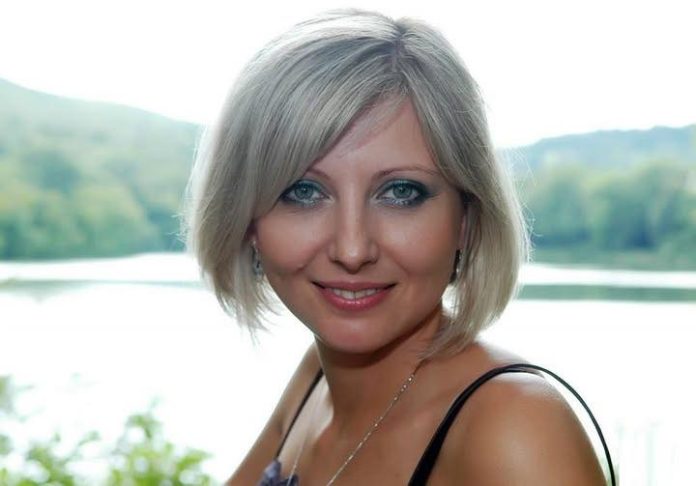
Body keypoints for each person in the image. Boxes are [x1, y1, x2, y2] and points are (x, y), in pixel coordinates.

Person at [185, 9, 615, 485]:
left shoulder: (515, 427)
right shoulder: (317, 379)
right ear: (247, 221)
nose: (352, 249)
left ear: (467, 218)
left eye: (400, 192)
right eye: (303, 192)